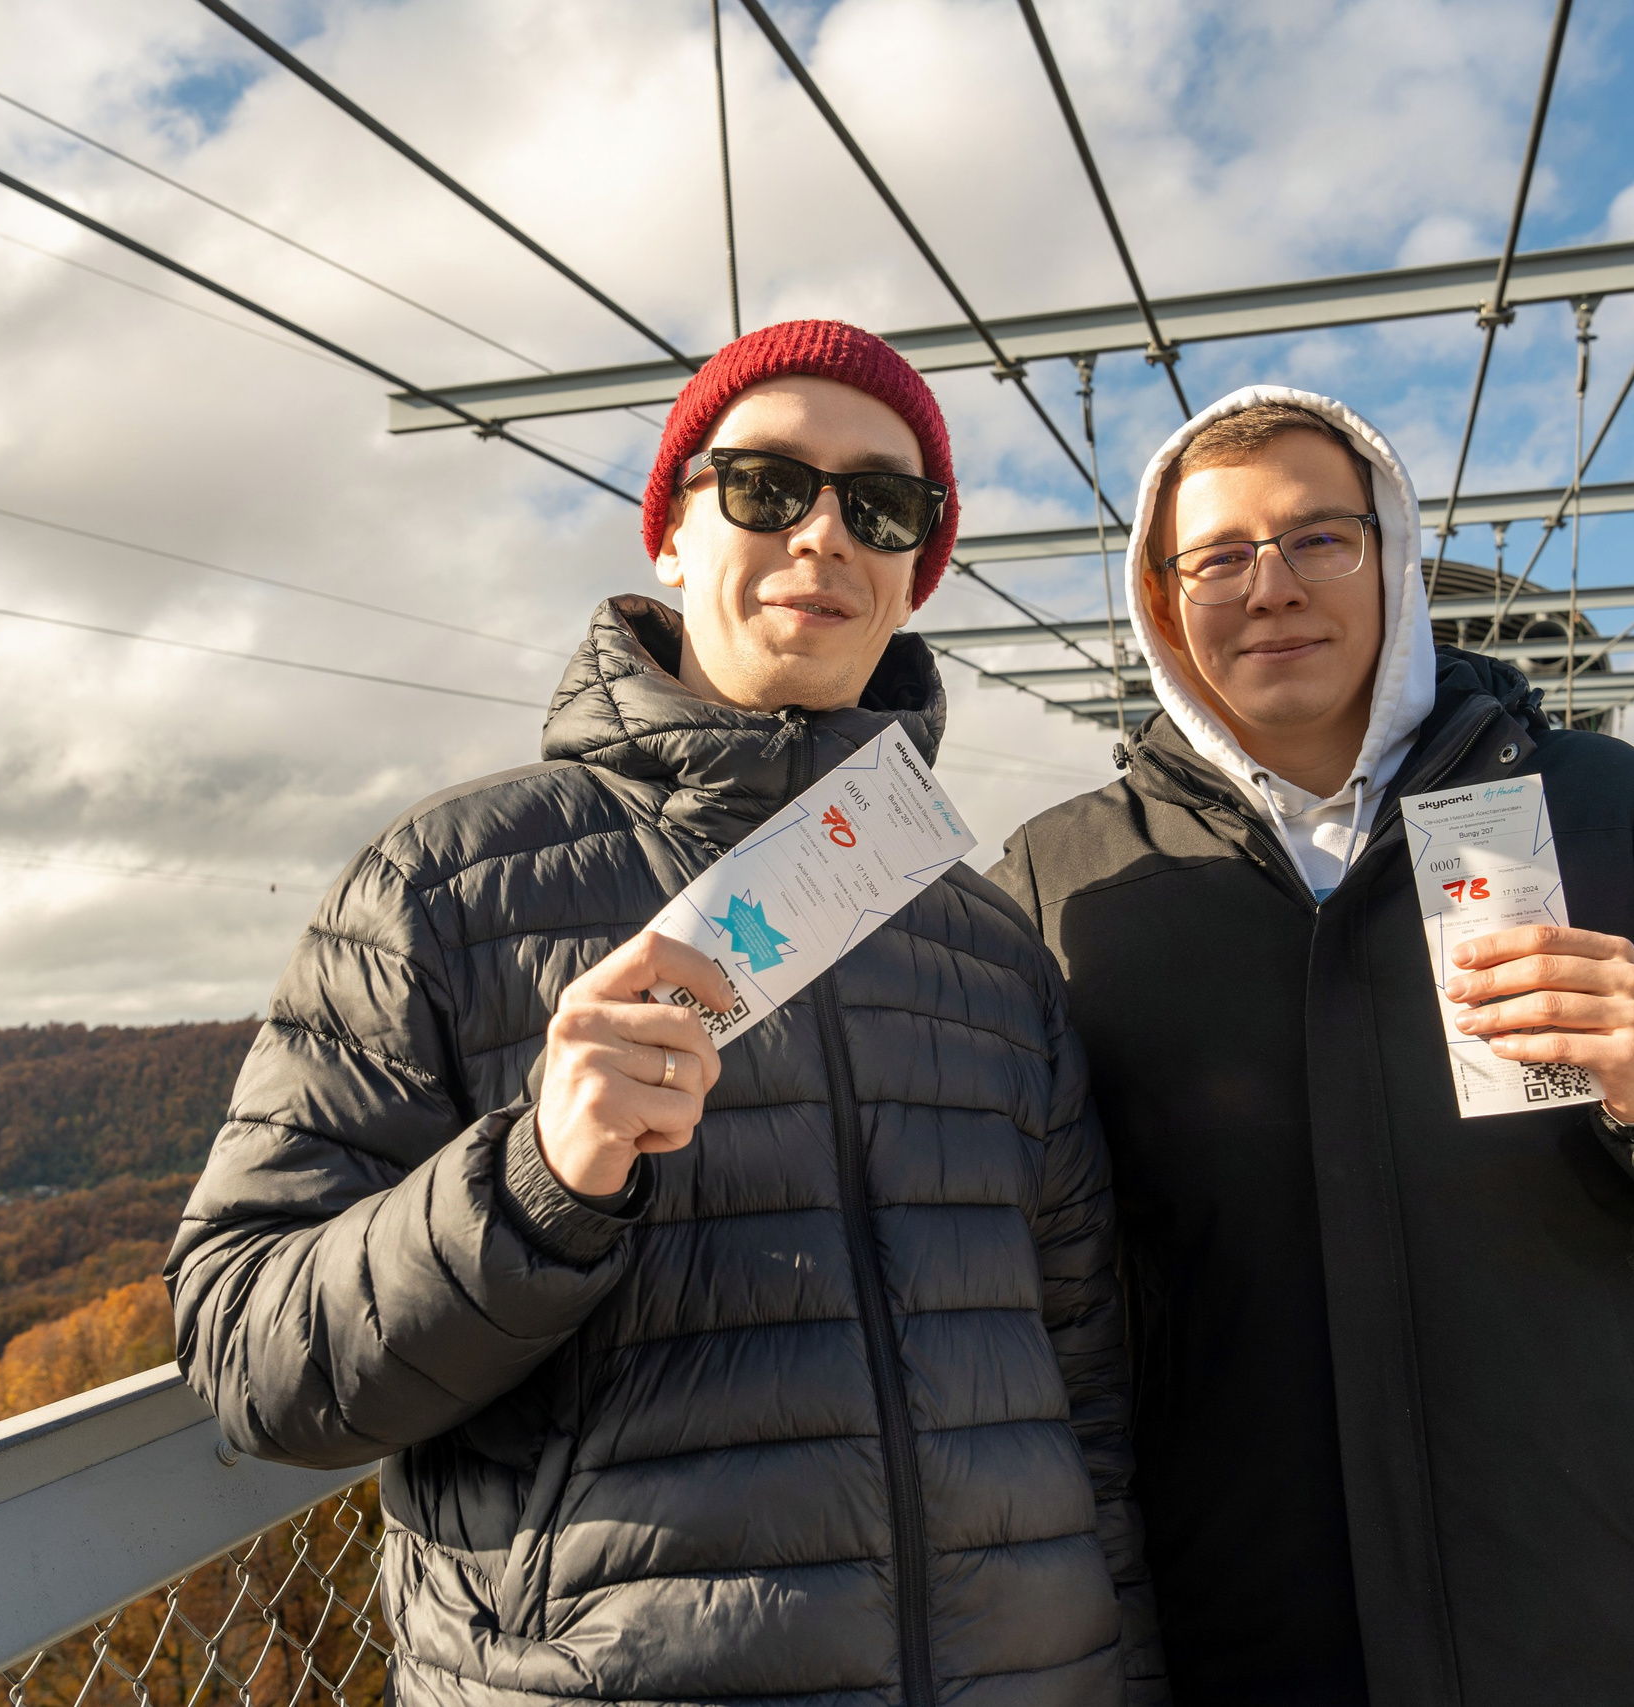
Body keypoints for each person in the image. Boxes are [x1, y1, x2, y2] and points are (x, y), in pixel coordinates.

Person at [168, 320, 1162, 1707]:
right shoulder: (442, 890)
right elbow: (248, 1352)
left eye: (882, 507)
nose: (824, 536)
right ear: (673, 535)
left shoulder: (985, 947)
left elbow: (1086, 1404)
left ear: (914, 573)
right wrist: (531, 1183)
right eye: (767, 486)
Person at [990, 386, 1634, 1707]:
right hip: (1238, 1638)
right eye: (1220, 555)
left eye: (1321, 539)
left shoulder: (1599, 812)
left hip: (1596, 1633)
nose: (1273, 587)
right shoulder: (1065, 883)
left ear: (1395, 557)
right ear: (1159, 594)